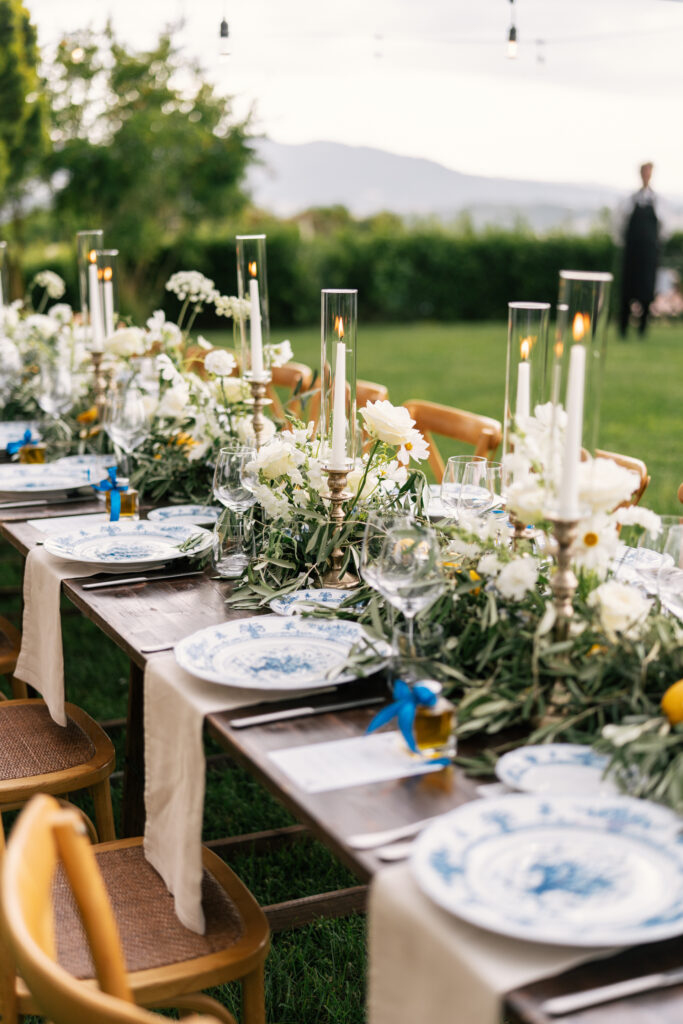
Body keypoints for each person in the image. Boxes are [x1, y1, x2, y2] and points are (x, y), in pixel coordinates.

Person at [616, 162, 665, 339]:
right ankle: (622, 329)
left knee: (646, 291)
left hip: (649, 254)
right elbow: (620, 225)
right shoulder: (630, 200)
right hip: (632, 253)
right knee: (628, 291)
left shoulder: (658, 201)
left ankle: (642, 330)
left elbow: (663, 228)